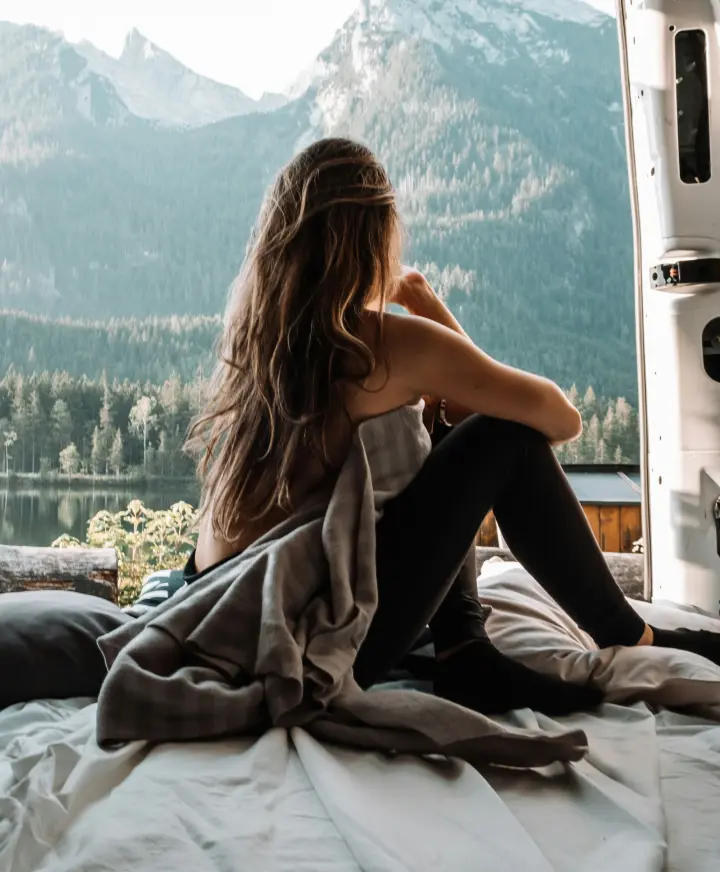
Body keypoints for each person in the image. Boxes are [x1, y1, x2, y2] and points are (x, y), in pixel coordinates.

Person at [184, 137, 720, 717]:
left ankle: (466, 652)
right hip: (306, 650)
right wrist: (421, 299)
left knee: (440, 426)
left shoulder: (257, 346)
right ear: (373, 239)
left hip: (221, 620)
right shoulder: (382, 344)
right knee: (503, 437)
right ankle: (627, 633)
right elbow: (560, 419)